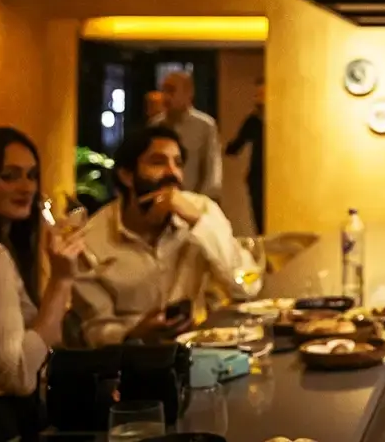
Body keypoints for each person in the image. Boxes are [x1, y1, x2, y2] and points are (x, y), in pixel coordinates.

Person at [72, 126, 260, 348]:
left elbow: (247, 286)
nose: (173, 173)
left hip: (203, 350)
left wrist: (198, 222)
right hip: (133, 359)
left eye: (178, 163)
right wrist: (135, 333)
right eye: (158, 162)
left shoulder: (201, 211)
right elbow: (95, 329)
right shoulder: (92, 240)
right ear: (127, 176)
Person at [0, 128, 85, 442]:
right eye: (9, 176)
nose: (26, 187)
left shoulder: (1, 248)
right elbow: (19, 373)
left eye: (31, 175)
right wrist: (61, 280)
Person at [151, 71, 221, 200]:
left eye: (171, 90)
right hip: (160, 200)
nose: (166, 97)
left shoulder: (205, 126)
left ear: (188, 93)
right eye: (163, 90)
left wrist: (202, 203)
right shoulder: (155, 125)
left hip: (194, 200)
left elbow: (212, 170)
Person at [226, 78, 265, 234]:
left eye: (262, 94)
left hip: (280, 178)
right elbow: (235, 147)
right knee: (261, 224)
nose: (258, 99)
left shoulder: (282, 121)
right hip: (257, 178)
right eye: (257, 95)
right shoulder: (253, 121)